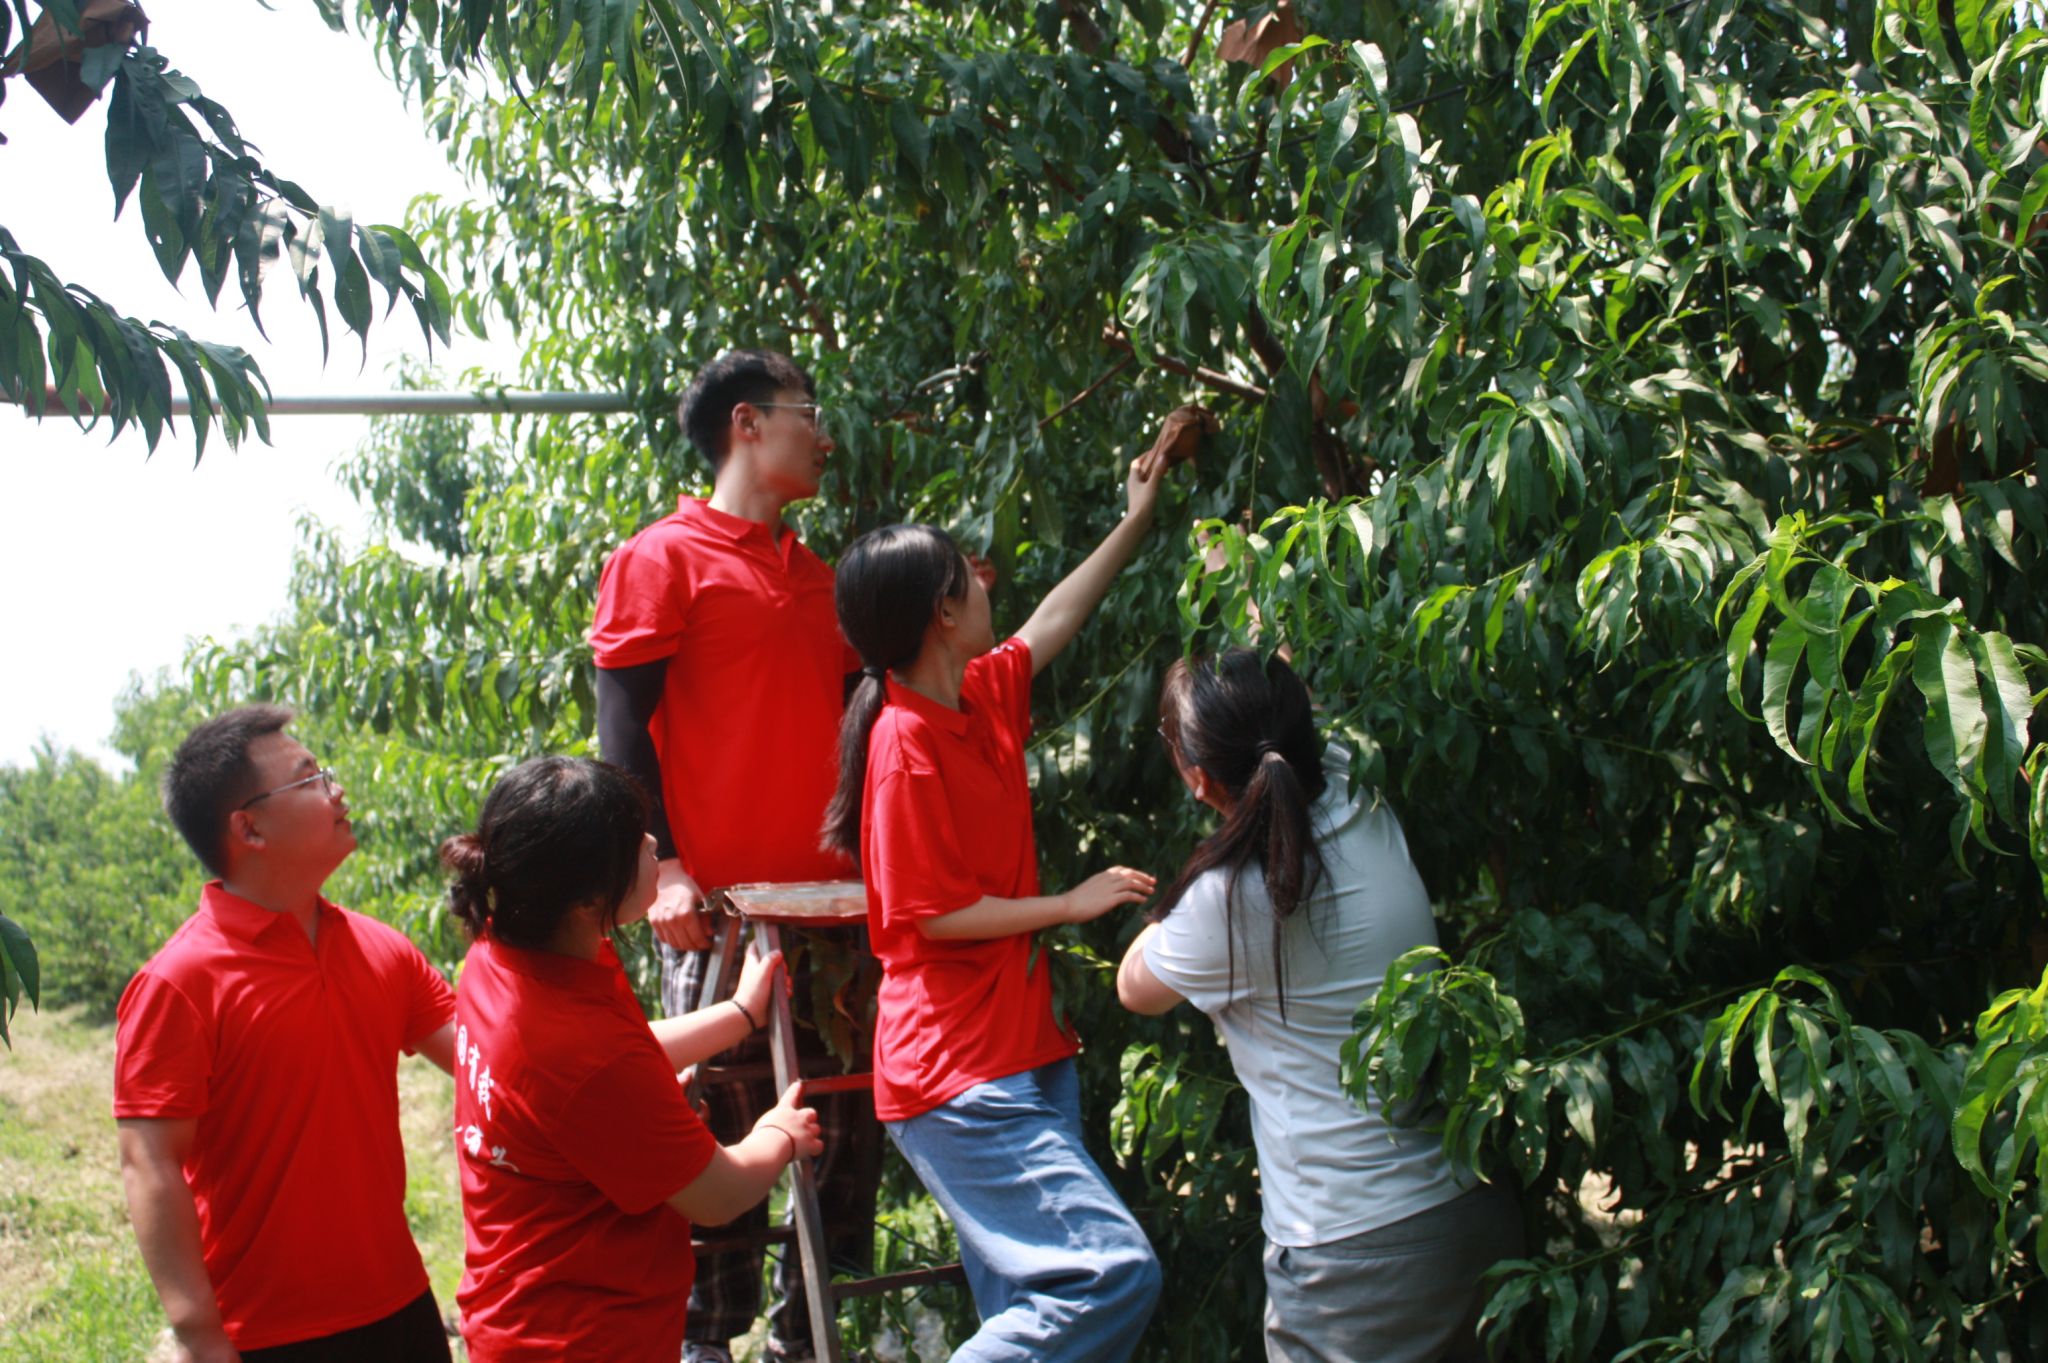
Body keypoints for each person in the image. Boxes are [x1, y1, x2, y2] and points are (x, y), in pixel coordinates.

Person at [818, 411, 1206, 1362]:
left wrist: (1136, 519)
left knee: (1035, 1304)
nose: (987, 581)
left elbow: (1056, 618)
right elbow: (936, 914)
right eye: (969, 574)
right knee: (1109, 1273)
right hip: (957, 1071)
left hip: (1019, 1045)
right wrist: (1070, 902)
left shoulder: (977, 693)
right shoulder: (904, 745)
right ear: (942, 613)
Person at [1115, 650, 1524, 1363]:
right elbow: (1291, 699)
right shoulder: (1355, 785)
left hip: (1355, 1259)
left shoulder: (1224, 901)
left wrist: (1200, 873)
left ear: (1198, 778)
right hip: (1472, 1207)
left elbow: (1133, 985)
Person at [589, 346, 876, 1363]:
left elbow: (859, 727)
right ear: (747, 423)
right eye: (808, 411)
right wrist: (661, 867)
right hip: (717, 917)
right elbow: (621, 729)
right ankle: (706, 1346)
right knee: (718, 1133)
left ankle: (806, 1344)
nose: (825, 435)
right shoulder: (661, 558)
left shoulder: (819, 576)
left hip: (835, 910)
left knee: (843, 1143)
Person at [441, 755, 825, 1363]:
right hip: (585, 1339)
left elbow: (621, 1054)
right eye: (634, 840)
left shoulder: (501, 957)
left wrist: (739, 1015)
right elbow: (719, 1196)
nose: (653, 842)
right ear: (588, 898)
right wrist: (777, 1134)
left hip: (518, 1313)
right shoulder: (581, 1050)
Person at [114, 705, 459, 1363]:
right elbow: (149, 1162)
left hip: (402, 1305)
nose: (338, 790)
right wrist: (200, 1334)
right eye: (311, 778)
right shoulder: (181, 981)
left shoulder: (379, 948)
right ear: (248, 827)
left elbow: (487, 1059)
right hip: (266, 1334)